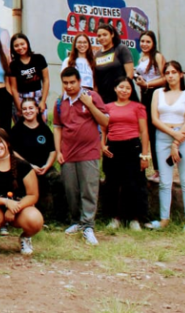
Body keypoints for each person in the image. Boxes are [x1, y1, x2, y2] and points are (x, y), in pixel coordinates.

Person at [55, 67, 109, 246]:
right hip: (68, 153)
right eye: (65, 83)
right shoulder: (59, 102)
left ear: (79, 81)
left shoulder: (92, 97)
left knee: (89, 189)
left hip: (89, 151)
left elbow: (105, 121)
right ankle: (76, 221)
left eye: (72, 82)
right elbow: (58, 128)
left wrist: (90, 104)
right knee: (71, 190)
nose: (69, 86)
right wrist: (58, 151)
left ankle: (88, 225)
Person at [147, 61, 185, 235]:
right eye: (167, 73)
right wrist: (171, 135)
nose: (170, 76)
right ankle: (164, 219)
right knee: (165, 182)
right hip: (163, 136)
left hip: (184, 136)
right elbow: (154, 119)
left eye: (174, 72)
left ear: (180, 74)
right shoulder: (158, 93)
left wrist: (176, 141)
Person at [0, 128, 43, 256]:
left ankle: (25, 238)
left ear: (7, 143)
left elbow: (33, 195)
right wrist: (6, 202)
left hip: (19, 207)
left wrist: (14, 208)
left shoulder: (23, 166)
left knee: (35, 219)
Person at [101, 78, 150, 231]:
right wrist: (102, 145)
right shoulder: (107, 107)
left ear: (131, 90)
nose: (124, 90)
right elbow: (103, 130)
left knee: (134, 183)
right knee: (112, 184)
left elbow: (144, 131)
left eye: (128, 88)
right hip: (113, 148)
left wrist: (144, 155)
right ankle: (114, 218)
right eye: (121, 87)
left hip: (132, 147)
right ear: (115, 89)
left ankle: (134, 219)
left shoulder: (138, 107)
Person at [10, 99, 60, 220]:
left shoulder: (45, 129)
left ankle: (58, 217)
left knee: (58, 179)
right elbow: (12, 152)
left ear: (37, 110)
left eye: (31, 108)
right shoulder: (17, 130)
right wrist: (30, 165)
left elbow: (53, 150)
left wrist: (47, 166)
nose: (28, 111)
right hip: (25, 168)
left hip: (44, 167)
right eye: (25, 109)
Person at [134, 31, 165, 179]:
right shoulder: (141, 58)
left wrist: (147, 84)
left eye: (148, 41)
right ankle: (154, 167)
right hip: (145, 95)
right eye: (142, 41)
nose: (144, 44)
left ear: (153, 43)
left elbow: (165, 78)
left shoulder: (157, 56)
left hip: (156, 94)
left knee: (156, 131)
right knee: (147, 132)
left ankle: (161, 168)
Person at [8, 33, 50, 121]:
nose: (20, 47)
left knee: (40, 126)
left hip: (37, 97)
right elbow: (14, 88)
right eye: (16, 46)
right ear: (13, 48)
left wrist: (43, 101)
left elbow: (46, 80)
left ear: (27, 43)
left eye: (22, 44)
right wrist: (19, 107)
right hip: (21, 97)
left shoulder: (39, 59)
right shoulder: (13, 65)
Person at [93, 24, 135, 104]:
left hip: (121, 96)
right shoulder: (97, 54)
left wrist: (123, 90)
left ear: (112, 34)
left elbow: (130, 74)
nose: (102, 38)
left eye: (105, 35)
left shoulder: (121, 49)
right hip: (104, 97)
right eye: (99, 36)